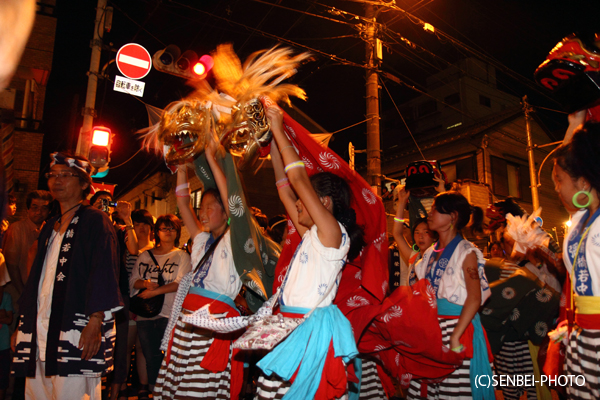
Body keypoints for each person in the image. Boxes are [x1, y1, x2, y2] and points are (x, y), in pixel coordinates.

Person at [254, 104, 364, 399]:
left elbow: (298, 181)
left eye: (306, 200)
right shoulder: (314, 236)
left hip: (309, 331)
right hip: (288, 326)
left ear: (325, 203)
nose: (298, 205)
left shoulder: (332, 234)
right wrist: (274, 146)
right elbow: (285, 189)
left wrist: (279, 127)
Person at [11, 151, 123, 399]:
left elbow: (104, 271)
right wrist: (23, 324)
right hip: (41, 326)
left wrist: (96, 321)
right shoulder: (50, 225)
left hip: (75, 328)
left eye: (66, 175)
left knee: (71, 393)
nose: (56, 180)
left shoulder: (96, 221)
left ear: (84, 184)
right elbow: (36, 282)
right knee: (37, 393)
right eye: (52, 175)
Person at [153, 139, 248, 400]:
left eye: (209, 208)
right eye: (201, 208)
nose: (202, 214)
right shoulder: (202, 240)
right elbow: (183, 205)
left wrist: (210, 154)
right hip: (187, 323)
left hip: (213, 324)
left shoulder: (235, 238)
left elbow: (233, 202)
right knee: (178, 387)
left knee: (197, 390)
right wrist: (181, 166)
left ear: (225, 210)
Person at [406, 191, 493, 399]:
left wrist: (455, 335)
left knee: (452, 392)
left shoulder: (466, 252)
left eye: (436, 208)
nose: (430, 212)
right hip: (433, 328)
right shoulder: (428, 253)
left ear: (452, 216)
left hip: (457, 328)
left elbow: (474, 298)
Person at [551, 121, 600, 398]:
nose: (556, 188)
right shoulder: (580, 221)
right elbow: (565, 157)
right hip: (580, 337)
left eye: (559, 180)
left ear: (582, 182)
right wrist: (572, 123)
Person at [130, 214, 191, 392]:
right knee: (151, 357)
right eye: (164, 228)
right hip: (145, 314)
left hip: (170, 313)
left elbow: (181, 283)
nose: (168, 232)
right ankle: (153, 391)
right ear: (157, 231)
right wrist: (146, 284)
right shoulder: (145, 256)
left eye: (172, 228)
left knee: (171, 357)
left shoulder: (182, 256)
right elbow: (132, 281)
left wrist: (154, 292)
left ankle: (168, 392)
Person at [2, 190, 52, 297]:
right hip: (17, 293)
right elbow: (11, 266)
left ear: (49, 211)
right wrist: (23, 293)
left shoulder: (51, 231)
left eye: (44, 208)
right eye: (35, 208)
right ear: (27, 209)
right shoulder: (16, 229)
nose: (39, 212)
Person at [393, 185, 437, 286]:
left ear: (435, 236)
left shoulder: (440, 257)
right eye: (416, 232)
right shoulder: (414, 257)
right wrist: (402, 202)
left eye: (426, 232)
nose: (420, 236)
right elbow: (397, 234)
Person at [0, 283, 13, 400]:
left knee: (3, 375)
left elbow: (9, 319)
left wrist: (5, 315)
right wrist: (2, 314)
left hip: (3, 344)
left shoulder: (6, 296)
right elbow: (4, 316)